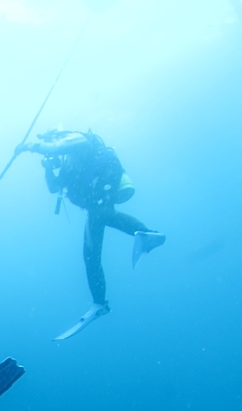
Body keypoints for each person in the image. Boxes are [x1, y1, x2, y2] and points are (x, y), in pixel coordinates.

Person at [16, 129, 166, 340]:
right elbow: (53, 188)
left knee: (100, 218)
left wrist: (29, 147)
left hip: (104, 187)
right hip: (96, 204)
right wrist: (49, 168)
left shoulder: (78, 139)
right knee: (90, 255)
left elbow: (56, 146)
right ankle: (99, 303)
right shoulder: (69, 162)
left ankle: (149, 235)